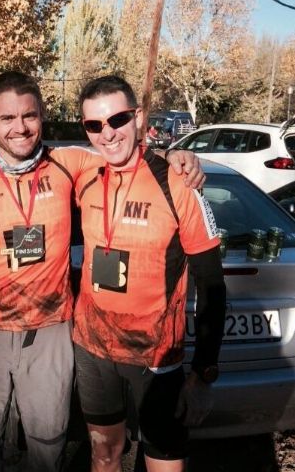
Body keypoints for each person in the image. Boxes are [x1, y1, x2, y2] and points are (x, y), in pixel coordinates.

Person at [0, 71, 205, 472]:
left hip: (51, 334)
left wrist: (177, 158)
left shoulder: (68, 164)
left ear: (42, 115)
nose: (20, 127)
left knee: (48, 447)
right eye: (7, 118)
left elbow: (125, 155)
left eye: (29, 115)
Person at [73, 75, 226, 472]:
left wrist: (203, 374)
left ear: (138, 117)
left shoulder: (179, 182)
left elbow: (212, 283)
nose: (107, 134)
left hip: (156, 360)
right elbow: (20, 151)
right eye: (94, 125)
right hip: (92, 350)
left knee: (165, 464)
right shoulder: (84, 174)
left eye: (118, 119)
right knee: (104, 456)